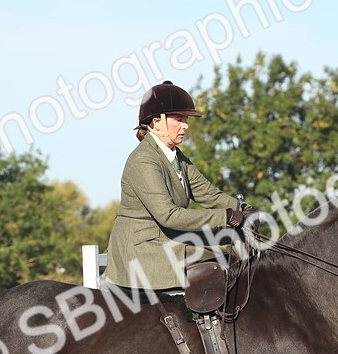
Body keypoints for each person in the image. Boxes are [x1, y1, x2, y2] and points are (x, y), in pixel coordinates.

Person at [104, 80, 249, 291]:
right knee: (220, 257)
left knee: (232, 246)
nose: (186, 126)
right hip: (144, 252)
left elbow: (207, 193)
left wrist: (243, 209)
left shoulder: (176, 157)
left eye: (186, 120)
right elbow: (169, 216)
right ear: (157, 122)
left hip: (167, 240)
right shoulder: (144, 161)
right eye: (179, 119)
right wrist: (225, 217)